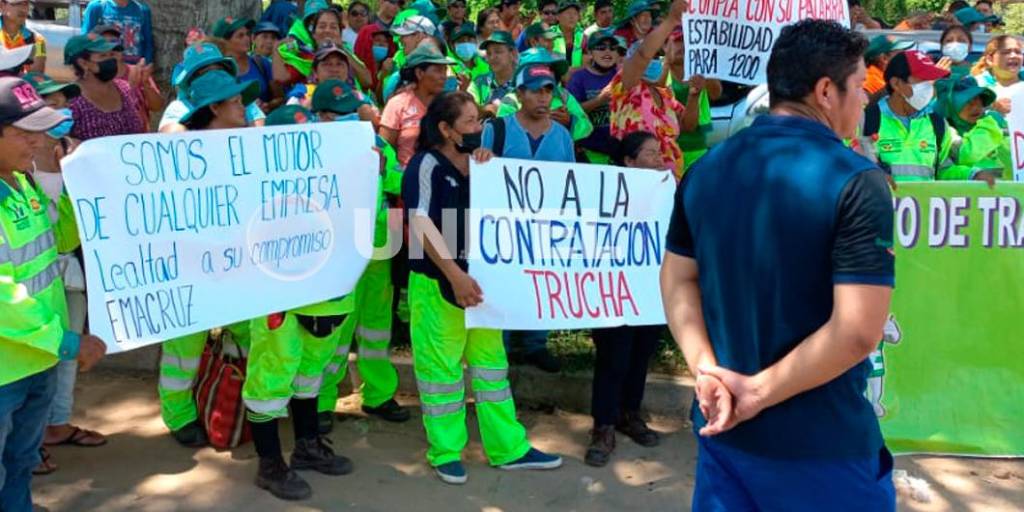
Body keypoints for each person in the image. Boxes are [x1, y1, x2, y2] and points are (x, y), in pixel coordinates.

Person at [661, 20, 897, 510]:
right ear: (826, 91)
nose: (865, 100)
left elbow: (677, 277)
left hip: (723, 430)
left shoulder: (706, 168)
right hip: (820, 446)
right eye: (860, 86)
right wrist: (755, 394)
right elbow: (858, 331)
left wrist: (706, 370)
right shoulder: (857, 181)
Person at [403, 90, 563, 485]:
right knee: (441, 372)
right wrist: (454, 275)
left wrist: (488, 171)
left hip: (482, 285)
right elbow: (420, 222)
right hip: (438, 284)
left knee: (492, 369)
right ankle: (445, 452)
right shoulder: (425, 164)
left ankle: (509, 448)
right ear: (446, 129)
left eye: (479, 119)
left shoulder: (481, 164)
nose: (480, 127)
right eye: (471, 122)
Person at [0, 74, 107, 512]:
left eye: (41, 131)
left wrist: (68, 184)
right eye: (26, 133)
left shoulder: (22, 184)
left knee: (21, 463)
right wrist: (67, 342)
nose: (38, 142)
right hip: (8, 371)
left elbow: (56, 248)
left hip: (39, 361)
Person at [309, 81, 408, 432]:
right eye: (337, 114)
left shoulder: (377, 144)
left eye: (351, 112)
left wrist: (383, 170)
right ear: (320, 117)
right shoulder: (309, 150)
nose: (347, 119)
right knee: (335, 330)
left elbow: (399, 183)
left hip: (379, 249)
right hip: (336, 254)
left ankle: (378, 394)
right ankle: (321, 401)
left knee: (377, 327)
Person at [484, 64, 575, 373]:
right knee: (504, 283)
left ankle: (536, 343)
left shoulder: (562, 136)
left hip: (546, 228)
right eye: (536, 91)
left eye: (548, 90)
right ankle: (502, 345)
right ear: (520, 94)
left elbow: (572, 183)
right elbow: (481, 175)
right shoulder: (496, 129)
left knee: (541, 282)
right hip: (504, 226)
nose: (543, 97)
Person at [584, 131, 666, 468]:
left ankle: (630, 414)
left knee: (640, 355)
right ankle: (603, 426)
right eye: (650, 153)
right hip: (613, 292)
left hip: (650, 291)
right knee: (613, 358)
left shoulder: (666, 192)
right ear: (629, 161)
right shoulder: (604, 193)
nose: (658, 159)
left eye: (659, 152)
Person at [610, 0, 691, 179]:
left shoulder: (665, 94)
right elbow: (642, 54)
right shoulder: (627, 87)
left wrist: (695, 93)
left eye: (657, 56)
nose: (653, 60)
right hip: (637, 181)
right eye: (650, 57)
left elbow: (687, 125)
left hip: (671, 181)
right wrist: (671, 20)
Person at [856, 50, 955, 182]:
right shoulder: (865, 120)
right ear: (896, 84)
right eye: (923, 80)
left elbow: (943, 170)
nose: (929, 88)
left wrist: (972, 174)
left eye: (930, 81)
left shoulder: (938, 123)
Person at [159, 42, 268, 133]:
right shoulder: (179, 108)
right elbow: (170, 139)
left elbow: (260, 134)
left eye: (219, 68)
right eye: (204, 72)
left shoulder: (241, 100)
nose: (214, 75)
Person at [381, 42, 454, 168]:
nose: (444, 76)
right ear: (420, 73)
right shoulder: (397, 104)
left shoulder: (448, 105)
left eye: (445, 70)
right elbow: (385, 147)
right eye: (438, 70)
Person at [64, 34, 146, 140]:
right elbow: (61, 141)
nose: (110, 60)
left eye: (111, 54)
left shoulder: (125, 89)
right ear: (83, 63)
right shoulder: (70, 100)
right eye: (103, 56)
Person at [666, 26, 722, 171]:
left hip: (699, 146)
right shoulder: (658, 73)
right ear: (665, 46)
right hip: (668, 151)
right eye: (676, 41)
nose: (682, 46)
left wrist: (704, 68)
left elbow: (716, 94)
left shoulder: (700, 68)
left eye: (686, 41)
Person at [935, 76, 1009, 182]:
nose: (976, 107)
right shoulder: (941, 131)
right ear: (950, 107)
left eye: (979, 99)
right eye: (967, 102)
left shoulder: (994, 125)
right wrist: (990, 126)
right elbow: (966, 155)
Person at [92, 23, 164, 130]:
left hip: (138, 137)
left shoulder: (137, 71)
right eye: (103, 45)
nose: (110, 49)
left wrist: (146, 84)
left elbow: (157, 106)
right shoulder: (91, 78)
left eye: (114, 42)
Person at [567, 29, 622, 163]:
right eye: (601, 48)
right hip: (588, 153)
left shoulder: (622, 76)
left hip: (620, 152)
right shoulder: (578, 78)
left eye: (612, 48)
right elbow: (571, 113)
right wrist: (599, 100)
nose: (607, 52)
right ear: (590, 53)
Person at [213, 17, 283, 113]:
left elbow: (280, 97)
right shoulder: (217, 71)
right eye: (240, 36)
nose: (247, 39)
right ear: (224, 42)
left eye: (247, 34)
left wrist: (268, 105)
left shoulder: (261, 63)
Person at [82, 0, 154, 65]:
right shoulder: (98, 7)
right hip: (106, 68)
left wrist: (146, 62)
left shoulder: (142, 10)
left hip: (135, 69)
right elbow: (85, 41)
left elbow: (148, 42)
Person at [353, 0, 402, 90]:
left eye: (400, 3)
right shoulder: (366, 22)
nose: (396, 6)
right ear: (381, 1)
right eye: (392, 2)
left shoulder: (400, 28)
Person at [468, 30, 518, 115]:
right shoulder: (479, 82)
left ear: (513, 53)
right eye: (489, 53)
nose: (492, 57)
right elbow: (469, 109)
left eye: (498, 52)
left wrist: (484, 110)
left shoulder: (524, 83)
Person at [972, 35, 1022, 115]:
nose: (1014, 55)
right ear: (990, 59)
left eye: (1018, 52)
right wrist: (991, 107)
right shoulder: (975, 86)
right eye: (1006, 52)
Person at [863, 35, 914, 101]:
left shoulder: (884, 76)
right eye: (902, 55)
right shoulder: (869, 81)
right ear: (884, 58)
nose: (906, 58)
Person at [0, 0, 45, 74]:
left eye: (26, 3)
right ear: (2, 5)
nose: (23, 9)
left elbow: (36, 75)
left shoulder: (38, 40)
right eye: (17, 4)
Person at [553, 1, 585, 70]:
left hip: (578, 75)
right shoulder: (549, 35)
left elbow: (587, 65)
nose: (572, 17)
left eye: (575, 13)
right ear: (558, 17)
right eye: (568, 13)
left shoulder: (583, 36)